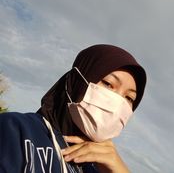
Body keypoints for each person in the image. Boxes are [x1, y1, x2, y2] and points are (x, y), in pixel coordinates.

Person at [0, 44, 146, 173]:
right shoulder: (15, 130)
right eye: (108, 84)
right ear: (76, 82)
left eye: (129, 98)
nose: (118, 102)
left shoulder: (100, 168)